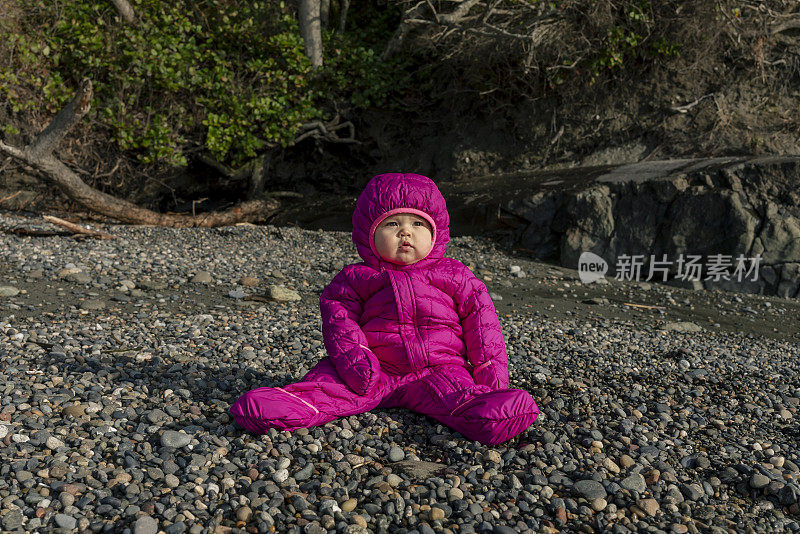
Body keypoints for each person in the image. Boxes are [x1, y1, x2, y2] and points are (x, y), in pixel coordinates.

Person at [230, 173, 539, 445]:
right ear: (369, 232)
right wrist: (357, 364)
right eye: (393, 223)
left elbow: (483, 328)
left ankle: (487, 411)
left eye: (418, 223)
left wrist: (493, 381)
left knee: (459, 395)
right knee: (328, 386)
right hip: (374, 370)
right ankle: (289, 405)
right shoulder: (357, 278)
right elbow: (341, 322)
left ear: (436, 233)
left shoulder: (455, 275)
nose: (406, 233)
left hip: (439, 368)